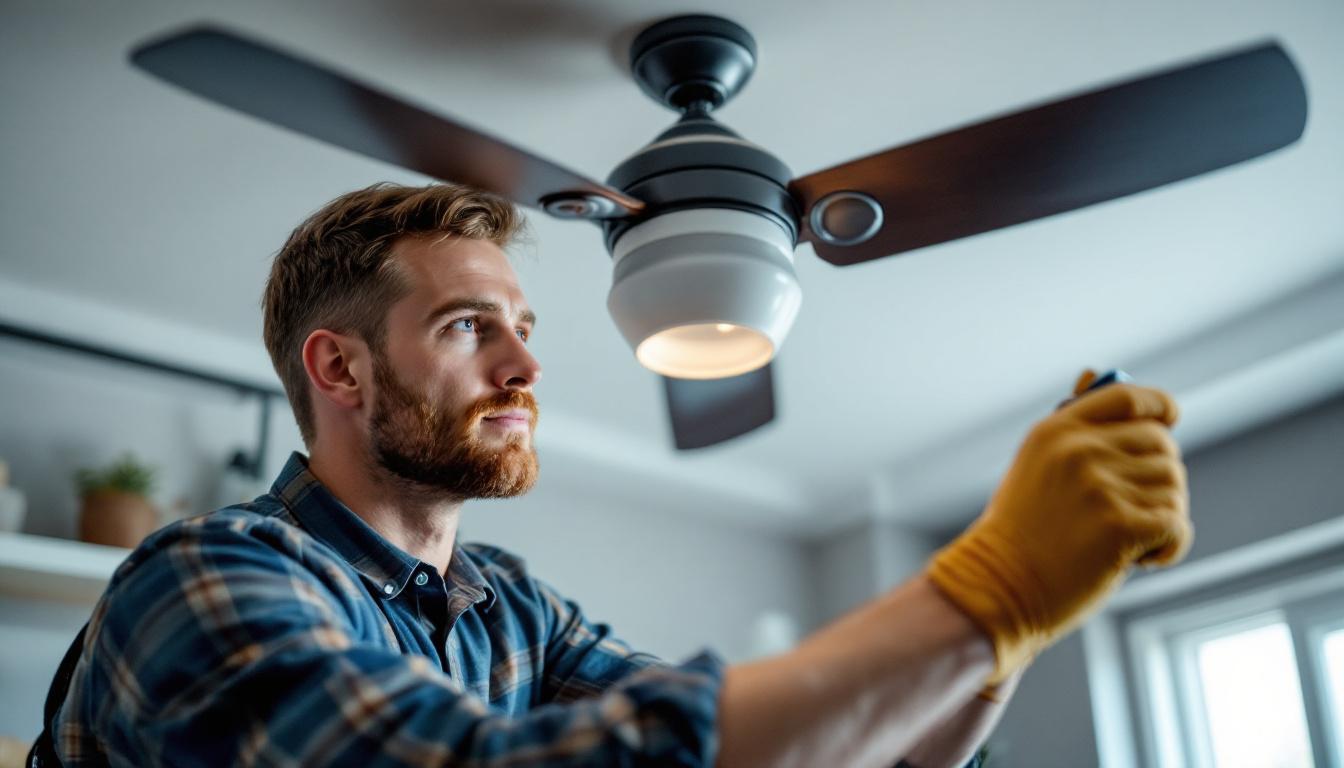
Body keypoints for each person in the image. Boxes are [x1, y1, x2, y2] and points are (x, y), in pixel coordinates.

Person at [36, 183, 1192, 767]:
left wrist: (1001, 648)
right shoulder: (202, 576)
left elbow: (772, 750)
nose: (527, 363)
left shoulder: (513, 614)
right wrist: (984, 590)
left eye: (526, 325)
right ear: (338, 366)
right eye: (467, 327)